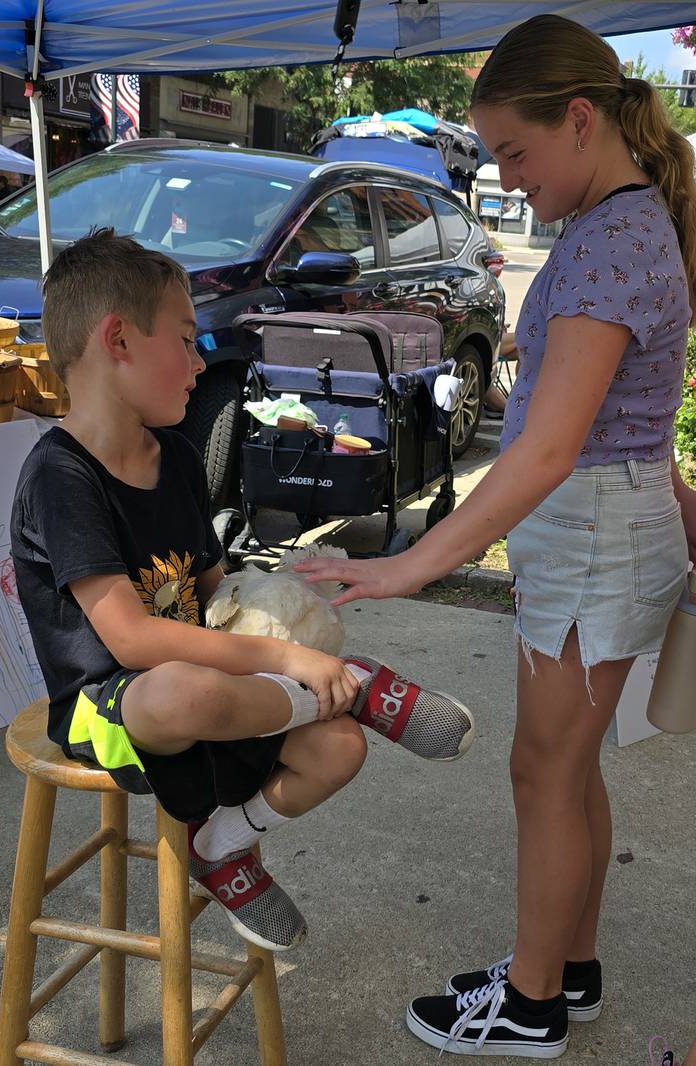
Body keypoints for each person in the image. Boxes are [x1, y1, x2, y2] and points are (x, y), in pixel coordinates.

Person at [296, 14, 696, 1058]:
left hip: (594, 539)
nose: (505, 179)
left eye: (512, 152)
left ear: (577, 121)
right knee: (567, 767)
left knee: (544, 770)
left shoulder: (611, 235)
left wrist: (410, 564)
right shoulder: (616, 221)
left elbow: (546, 451)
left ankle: (526, 1003)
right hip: (602, 532)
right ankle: (566, 971)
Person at [9, 227, 475, 954]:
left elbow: (216, 591)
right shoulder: (62, 476)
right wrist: (290, 663)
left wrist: (283, 607)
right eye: (188, 341)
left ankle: (220, 847)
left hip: (223, 695)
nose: (200, 363)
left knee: (339, 750)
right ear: (119, 339)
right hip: (113, 706)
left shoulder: (182, 458)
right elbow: (130, 641)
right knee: (177, 691)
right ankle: (358, 683)